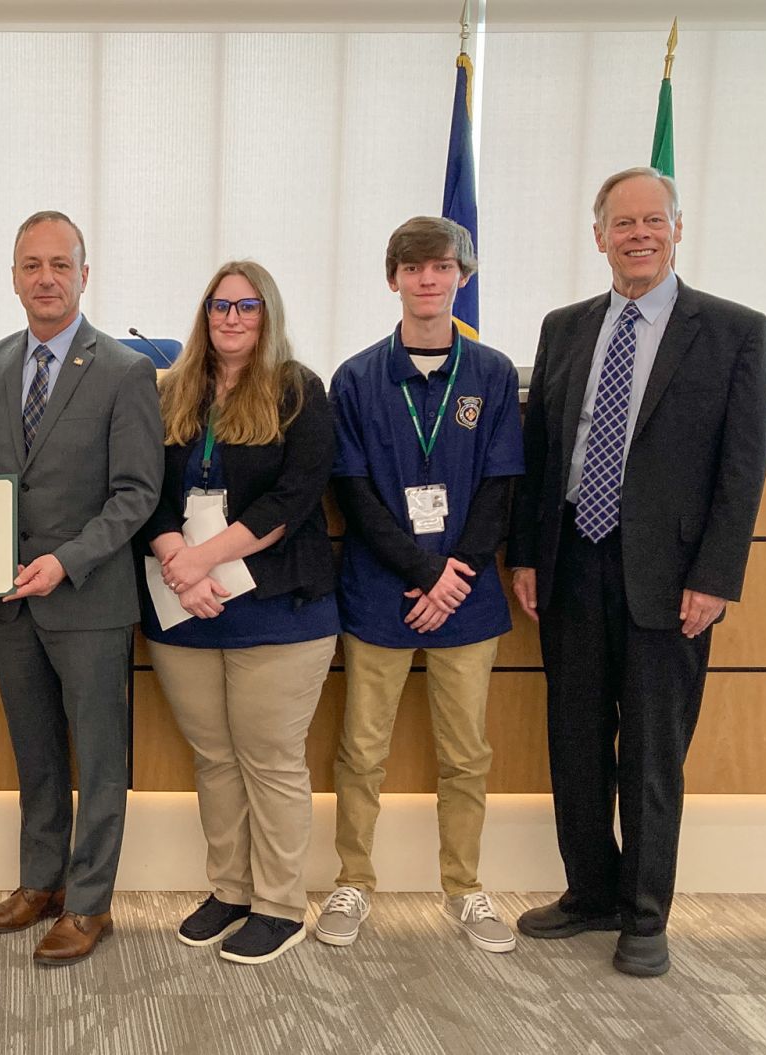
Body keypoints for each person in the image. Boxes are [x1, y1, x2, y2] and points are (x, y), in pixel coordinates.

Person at [508, 167, 766, 977]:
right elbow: (542, 451)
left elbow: (743, 464)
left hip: (671, 577)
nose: (638, 235)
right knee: (576, 740)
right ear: (599, 237)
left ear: (678, 229)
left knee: (653, 752)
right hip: (572, 565)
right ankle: (590, 892)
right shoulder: (564, 327)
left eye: (653, 221)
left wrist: (717, 574)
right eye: (622, 224)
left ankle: (645, 912)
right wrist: (524, 552)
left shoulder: (732, 330)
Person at [317, 217, 523, 956]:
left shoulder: (494, 374)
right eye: (413, 268)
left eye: (441, 267)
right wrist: (422, 572)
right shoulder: (357, 377)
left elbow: (500, 486)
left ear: (462, 277)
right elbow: (353, 493)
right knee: (360, 748)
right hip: (382, 591)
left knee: (466, 751)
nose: (428, 279)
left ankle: (465, 887)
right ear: (393, 278)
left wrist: (453, 575)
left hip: (467, 595)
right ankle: (353, 879)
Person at [0, 210, 163, 965]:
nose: (45, 278)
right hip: (8, 603)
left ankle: (88, 903)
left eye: (60, 264)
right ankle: (40, 882)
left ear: (85, 274)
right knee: (36, 752)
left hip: (88, 597)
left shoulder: (123, 369)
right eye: (30, 265)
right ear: (13, 277)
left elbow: (136, 492)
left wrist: (65, 560)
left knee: (101, 757)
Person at [140, 261, 339, 965]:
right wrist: (177, 561)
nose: (231, 318)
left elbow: (291, 498)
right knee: (216, 759)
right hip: (184, 607)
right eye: (220, 306)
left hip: (277, 605)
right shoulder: (172, 390)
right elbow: (145, 488)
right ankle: (230, 888)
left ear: (267, 314)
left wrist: (204, 559)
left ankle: (280, 904)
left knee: (270, 760)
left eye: (246, 307)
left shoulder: (298, 391)